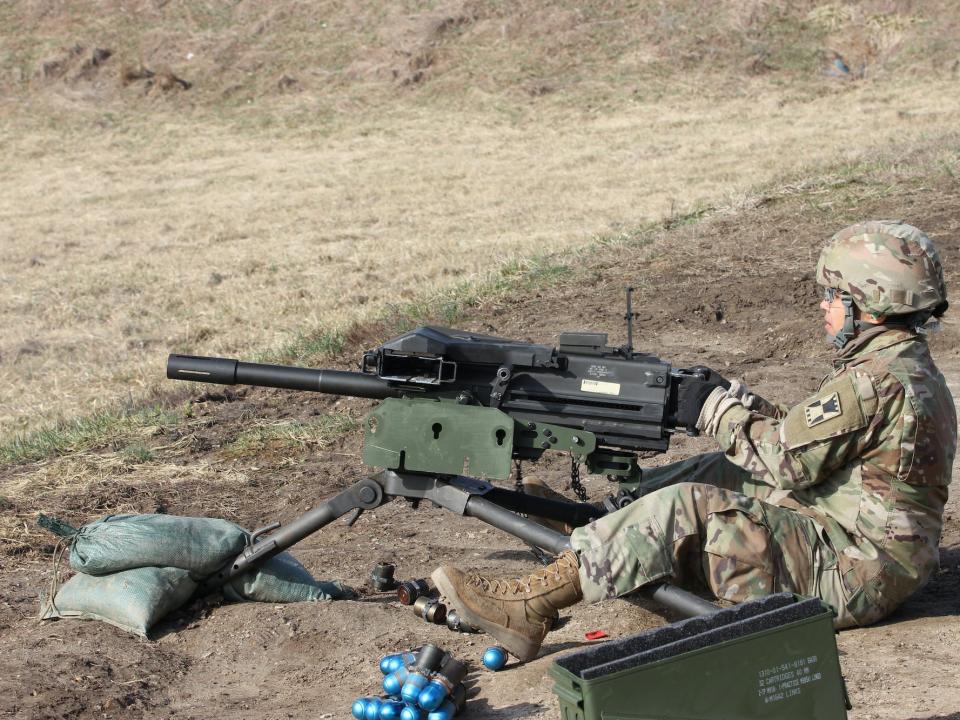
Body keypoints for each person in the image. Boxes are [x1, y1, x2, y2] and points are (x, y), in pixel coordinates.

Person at [432, 220, 957, 662]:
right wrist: (738, 403)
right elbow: (811, 447)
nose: (823, 304)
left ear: (870, 303)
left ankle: (530, 608)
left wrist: (713, 409)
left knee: (688, 505)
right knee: (722, 470)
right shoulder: (901, 369)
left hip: (853, 575)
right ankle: (603, 525)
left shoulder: (873, 382)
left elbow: (790, 464)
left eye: (834, 294)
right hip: (871, 554)